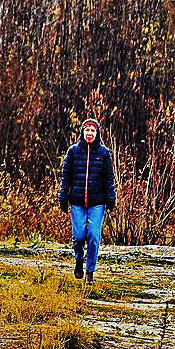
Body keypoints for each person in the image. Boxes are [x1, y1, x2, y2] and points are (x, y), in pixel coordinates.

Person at [58, 118, 116, 284]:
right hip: (76, 201)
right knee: (78, 236)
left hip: (97, 202)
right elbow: (66, 177)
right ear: (82, 132)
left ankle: (90, 271)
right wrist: (63, 197)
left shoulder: (104, 154)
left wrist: (111, 198)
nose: (89, 133)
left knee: (93, 236)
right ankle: (78, 260)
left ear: (97, 133)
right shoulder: (73, 152)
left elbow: (108, 179)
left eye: (92, 130)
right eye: (87, 130)